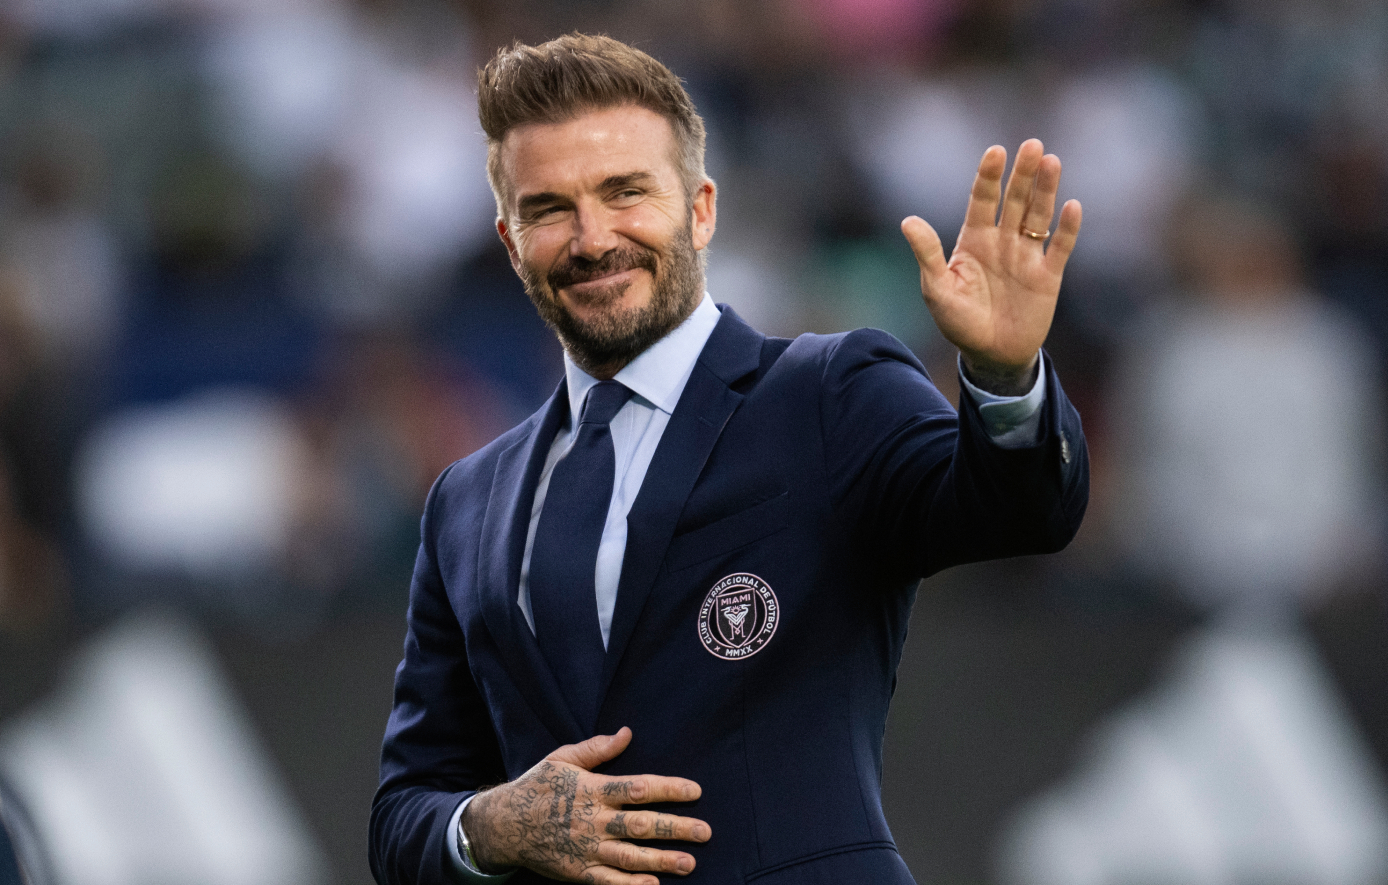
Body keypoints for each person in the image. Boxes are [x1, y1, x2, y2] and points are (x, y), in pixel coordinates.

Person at [370, 33, 1088, 885]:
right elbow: (405, 810)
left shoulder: (829, 392)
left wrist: (1004, 378)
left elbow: (1017, 511)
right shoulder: (466, 501)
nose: (592, 238)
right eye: (549, 209)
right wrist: (490, 825)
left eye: (625, 192)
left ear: (702, 209)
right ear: (509, 238)